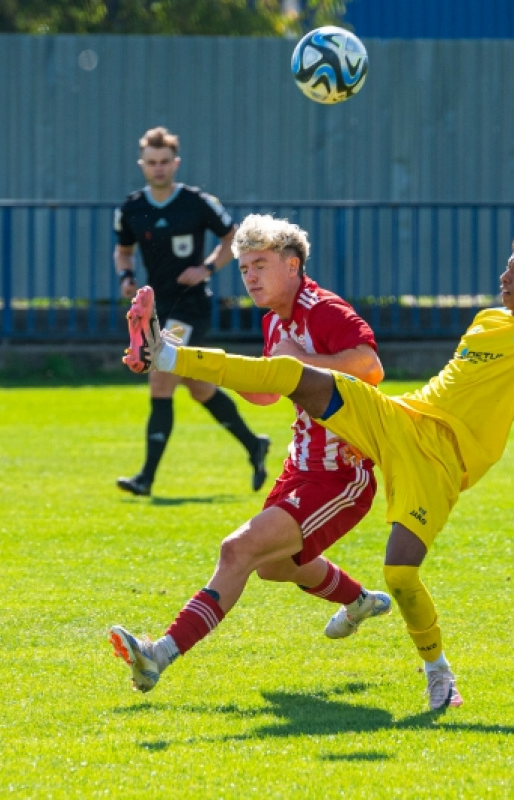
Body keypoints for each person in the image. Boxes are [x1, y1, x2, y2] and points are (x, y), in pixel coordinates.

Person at [119, 212, 514, 711]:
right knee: (289, 382)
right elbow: (281, 382)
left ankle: (438, 670)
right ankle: (164, 354)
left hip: (444, 462)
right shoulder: (487, 318)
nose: (505, 276)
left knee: (400, 572)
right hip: (401, 421)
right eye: (508, 266)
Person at [110, 214, 391, 695]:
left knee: (236, 550)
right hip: (301, 467)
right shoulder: (275, 321)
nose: (251, 277)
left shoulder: (324, 309)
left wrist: (299, 362)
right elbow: (266, 393)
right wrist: (205, 366)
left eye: (260, 264)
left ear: (293, 265)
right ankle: (360, 601)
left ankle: (158, 654)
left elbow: (370, 366)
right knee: (272, 565)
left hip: (342, 474)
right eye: (243, 269)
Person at [114, 126, 269, 497]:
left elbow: (232, 238)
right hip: (157, 306)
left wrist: (207, 268)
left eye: (165, 162)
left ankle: (146, 479)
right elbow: (124, 250)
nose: (158, 168)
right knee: (199, 388)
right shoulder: (132, 207)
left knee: (160, 375)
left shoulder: (198, 202)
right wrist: (126, 276)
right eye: (151, 162)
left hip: (191, 306)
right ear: (142, 164)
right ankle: (254, 445)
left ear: (176, 163)